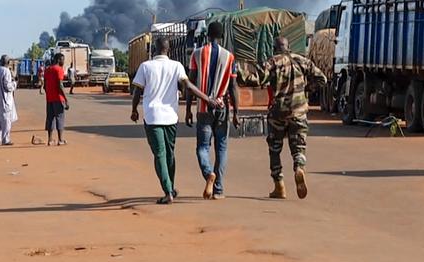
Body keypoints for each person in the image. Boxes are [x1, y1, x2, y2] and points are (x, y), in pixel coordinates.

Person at [132, 38, 218, 205]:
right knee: (170, 154)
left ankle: (168, 192)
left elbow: (137, 91)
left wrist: (134, 110)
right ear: (169, 49)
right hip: (171, 117)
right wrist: (207, 99)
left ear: (154, 50)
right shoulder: (176, 66)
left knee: (160, 155)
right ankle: (170, 187)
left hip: (152, 117)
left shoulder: (146, 66)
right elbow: (188, 86)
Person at [245, 36, 327, 200]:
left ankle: (279, 186)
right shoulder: (302, 61)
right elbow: (322, 79)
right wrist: (305, 90)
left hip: (278, 113)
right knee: (299, 146)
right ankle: (299, 167)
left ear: (275, 48)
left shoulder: (272, 62)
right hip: (299, 112)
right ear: (288, 47)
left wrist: (240, 74)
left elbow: (257, 80)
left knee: (275, 148)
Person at [188, 21, 239, 200]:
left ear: (207, 35)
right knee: (222, 149)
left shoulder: (196, 54)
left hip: (203, 108)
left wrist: (188, 109)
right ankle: (218, 189)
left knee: (202, 147)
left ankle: (209, 173)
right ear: (222, 36)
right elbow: (233, 87)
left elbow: (191, 84)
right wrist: (236, 113)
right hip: (222, 108)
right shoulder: (229, 57)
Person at [38, 53, 69, 146]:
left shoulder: (47, 70)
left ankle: (50, 140)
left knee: (50, 118)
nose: (63, 61)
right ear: (59, 60)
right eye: (63, 59)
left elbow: (45, 86)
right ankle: (60, 140)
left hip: (49, 99)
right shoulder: (59, 69)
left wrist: (49, 93)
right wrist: (66, 98)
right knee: (60, 118)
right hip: (58, 98)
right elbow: (60, 85)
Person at [0, 55, 18, 146]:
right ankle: (5, 139)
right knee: (6, 120)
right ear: (8, 63)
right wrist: (14, 83)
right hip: (5, 99)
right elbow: (8, 86)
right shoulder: (6, 71)